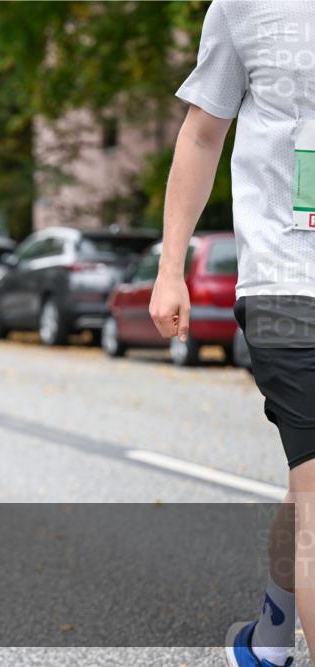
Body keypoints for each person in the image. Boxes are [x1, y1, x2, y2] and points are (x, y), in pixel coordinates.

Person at [148, 3, 315, 666]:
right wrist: (169, 269)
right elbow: (200, 132)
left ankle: (271, 630)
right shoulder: (244, 4)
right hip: (285, 280)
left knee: (305, 487)